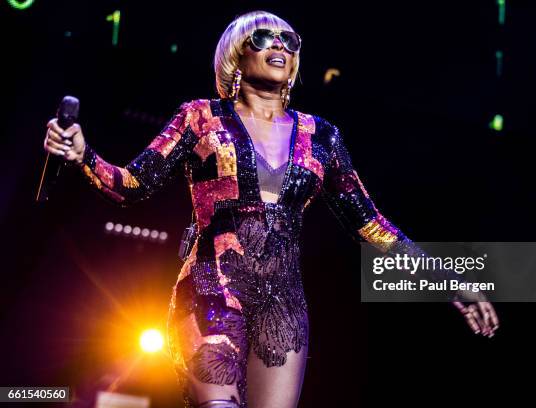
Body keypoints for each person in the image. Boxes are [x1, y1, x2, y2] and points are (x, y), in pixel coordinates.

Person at [43, 10, 499, 408]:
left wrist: (450, 283)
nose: (278, 45)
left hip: (283, 304)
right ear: (236, 55)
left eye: (288, 40)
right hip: (212, 290)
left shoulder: (323, 137)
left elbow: (372, 227)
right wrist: (84, 156)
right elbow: (133, 185)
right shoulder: (200, 117)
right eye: (262, 38)